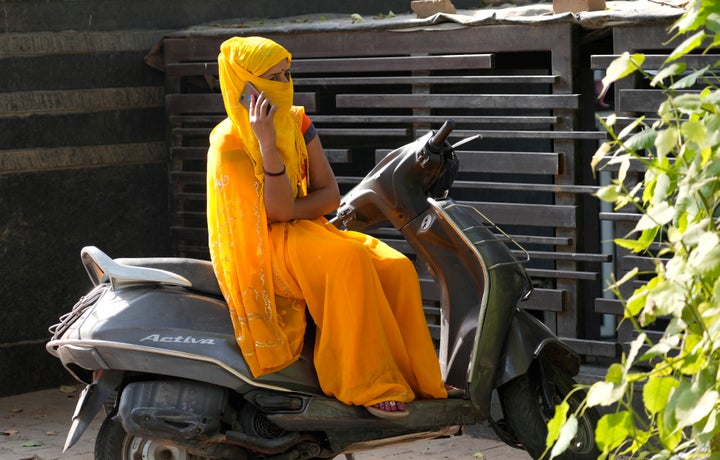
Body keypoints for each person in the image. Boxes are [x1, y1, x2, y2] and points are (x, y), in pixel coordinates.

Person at [206, 36, 448, 419]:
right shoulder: (229, 143)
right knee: (349, 259)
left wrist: (295, 210)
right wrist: (267, 144)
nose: (284, 86)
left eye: (286, 75)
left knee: (397, 266)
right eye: (272, 78)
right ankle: (367, 384)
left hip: (310, 230)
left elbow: (330, 196)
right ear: (244, 85)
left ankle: (417, 378)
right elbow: (278, 212)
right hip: (264, 248)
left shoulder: (299, 122)